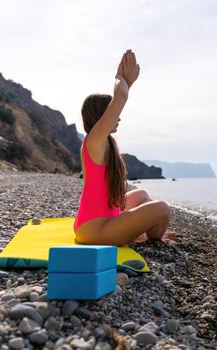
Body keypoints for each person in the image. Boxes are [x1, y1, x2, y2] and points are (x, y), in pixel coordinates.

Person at [74, 49, 176, 246]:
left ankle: (138, 234)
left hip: (104, 221)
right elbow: (120, 97)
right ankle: (152, 238)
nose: (118, 117)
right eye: (112, 113)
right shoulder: (94, 141)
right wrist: (122, 79)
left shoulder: (106, 144)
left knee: (142, 195)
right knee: (163, 209)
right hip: (96, 231)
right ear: (102, 117)